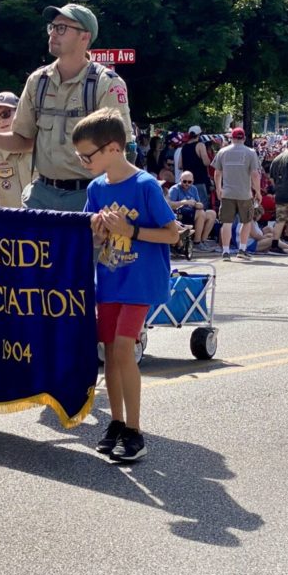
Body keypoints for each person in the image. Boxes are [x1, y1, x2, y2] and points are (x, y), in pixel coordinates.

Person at [0, 3, 133, 212]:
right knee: (27, 244)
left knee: (84, 246)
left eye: (62, 28)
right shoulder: (38, 81)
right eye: (52, 27)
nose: (53, 34)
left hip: (88, 194)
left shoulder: (107, 84)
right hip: (42, 193)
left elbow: (123, 150)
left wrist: (117, 198)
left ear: (85, 36)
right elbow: (23, 140)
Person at [74, 108, 177, 461]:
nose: (83, 161)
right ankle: (116, 423)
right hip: (111, 278)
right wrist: (98, 230)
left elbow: (172, 233)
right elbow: (94, 236)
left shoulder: (145, 185)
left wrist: (130, 231)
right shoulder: (96, 188)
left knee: (122, 350)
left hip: (140, 280)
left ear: (113, 148)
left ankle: (135, 430)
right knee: (109, 354)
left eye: (88, 155)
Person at [212, 128, 261, 260]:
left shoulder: (222, 152)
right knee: (246, 222)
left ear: (231, 138)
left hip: (227, 192)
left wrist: (218, 188)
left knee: (226, 223)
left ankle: (226, 252)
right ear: (244, 138)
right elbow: (255, 175)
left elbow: (217, 173)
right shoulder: (250, 152)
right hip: (245, 193)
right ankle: (242, 250)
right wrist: (258, 191)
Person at [166, 171, 214, 249]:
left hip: (192, 213)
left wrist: (198, 205)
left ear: (193, 181)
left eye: (189, 182)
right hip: (180, 215)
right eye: (184, 181)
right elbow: (169, 204)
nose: (187, 184)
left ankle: (203, 241)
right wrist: (183, 202)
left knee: (212, 213)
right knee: (201, 213)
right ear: (180, 180)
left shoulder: (194, 188)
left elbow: (199, 203)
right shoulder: (175, 189)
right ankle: (197, 242)